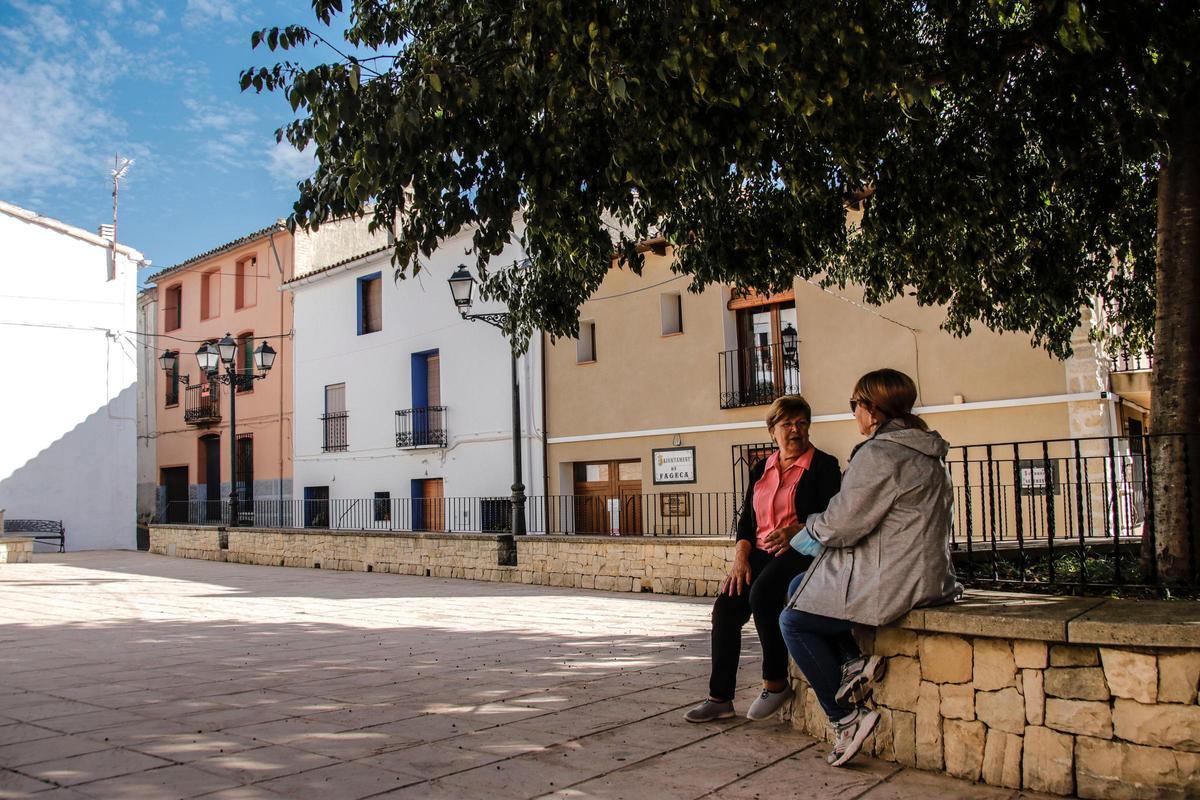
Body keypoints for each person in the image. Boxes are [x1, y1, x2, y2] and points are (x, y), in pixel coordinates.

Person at [767, 369, 961, 766]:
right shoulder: (925, 449)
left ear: (872, 410)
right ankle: (853, 661)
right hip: (927, 572)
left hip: (894, 579)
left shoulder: (880, 454)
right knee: (801, 586)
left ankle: (846, 718)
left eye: (854, 405)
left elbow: (843, 523)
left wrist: (804, 530)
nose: (854, 413)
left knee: (792, 621)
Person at [684, 395, 841, 723]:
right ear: (772, 431)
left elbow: (832, 515)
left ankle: (775, 682)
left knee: (763, 593)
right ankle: (720, 699)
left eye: (801, 423)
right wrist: (741, 556)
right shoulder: (761, 468)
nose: (795, 430)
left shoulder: (824, 466)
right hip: (759, 552)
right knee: (726, 608)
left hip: (799, 550)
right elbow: (746, 520)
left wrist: (797, 529)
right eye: (787, 424)